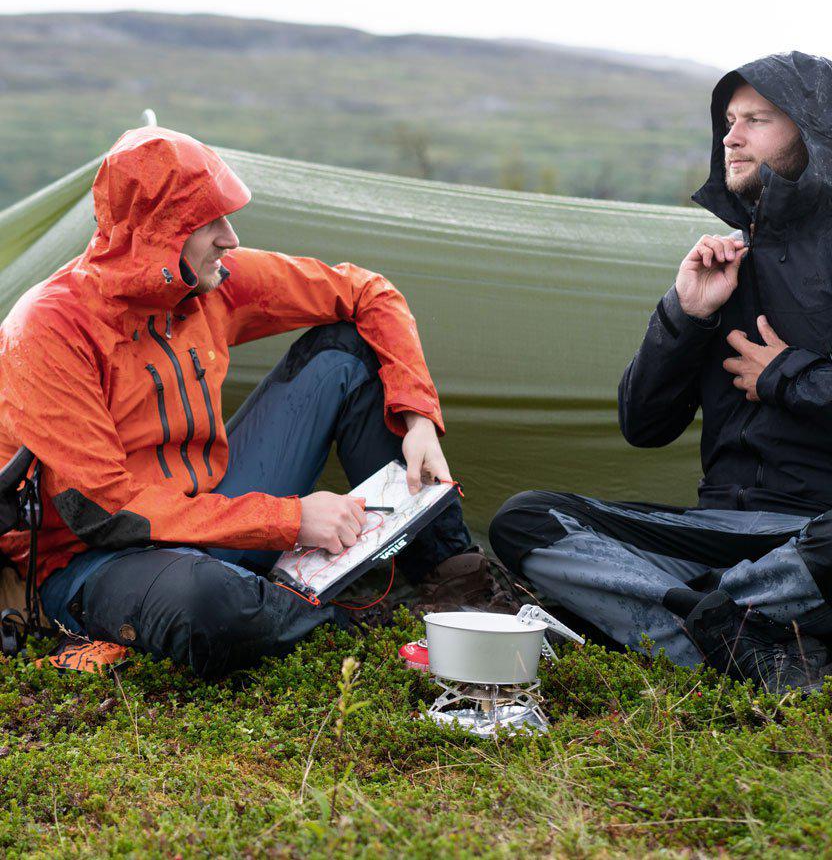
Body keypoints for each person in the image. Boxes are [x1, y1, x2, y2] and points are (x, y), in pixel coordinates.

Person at [490, 52, 832, 691]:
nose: (732, 136)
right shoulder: (722, 264)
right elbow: (643, 425)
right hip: (720, 537)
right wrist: (684, 316)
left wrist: (789, 376)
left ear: (813, 135)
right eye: (728, 120)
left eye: (758, 119)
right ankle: (748, 637)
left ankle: (688, 623)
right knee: (526, 520)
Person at [0, 126, 489, 678]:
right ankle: (335, 622)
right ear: (160, 233)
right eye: (210, 222)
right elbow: (106, 512)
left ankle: (456, 578)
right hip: (95, 560)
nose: (230, 238)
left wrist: (417, 416)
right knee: (207, 601)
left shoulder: (208, 283)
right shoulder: (48, 329)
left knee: (346, 350)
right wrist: (288, 520)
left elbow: (368, 292)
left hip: (214, 506)